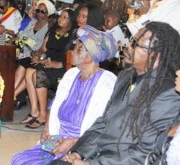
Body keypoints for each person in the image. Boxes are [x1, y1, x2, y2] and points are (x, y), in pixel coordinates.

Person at [48, 21, 180, 165]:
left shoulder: (167, 93)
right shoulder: (126, 76)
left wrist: (92, 164)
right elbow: (103, 122)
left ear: (156, 55)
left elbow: (144, 154)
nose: (128, 46)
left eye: (135, 44)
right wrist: (78, 153)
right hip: (98, 155)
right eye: (131, 40)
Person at [11, 25, 117, 165]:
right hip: (57, 140)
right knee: (19, 160)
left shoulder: (106, 82)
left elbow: (103, 127)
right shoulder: (71, 75)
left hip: (83, 147)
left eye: (78, 49)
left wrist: (73, 143)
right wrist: (47, 130)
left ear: (92, 55)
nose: (72, 52)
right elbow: (54, 105)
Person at [19, 9, 76, 127]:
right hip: (46, 61)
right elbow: (43, 49)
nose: (60, 19)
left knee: (38, 74)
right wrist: (37, 55)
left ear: (71, 20)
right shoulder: (53, 30)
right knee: (29, 70)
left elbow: (72, 56)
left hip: (61, 66)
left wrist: (55, 64)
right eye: (60, 16)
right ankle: (34, 110)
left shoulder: (73, 34)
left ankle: (43, 114)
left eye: (64, 17)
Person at [14, 0, 55, 110]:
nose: (39, 13)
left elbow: (39, 47)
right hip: (24, 54)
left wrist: (25, 39)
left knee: (24, 65)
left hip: (37, 56)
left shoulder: (49, 27)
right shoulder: (32, 22)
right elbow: (22, 39)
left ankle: (12, 95)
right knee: (18, 63)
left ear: (48, 13)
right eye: (38, 10)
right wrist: (20, 44)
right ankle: (12, 95)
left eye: (43, 11)